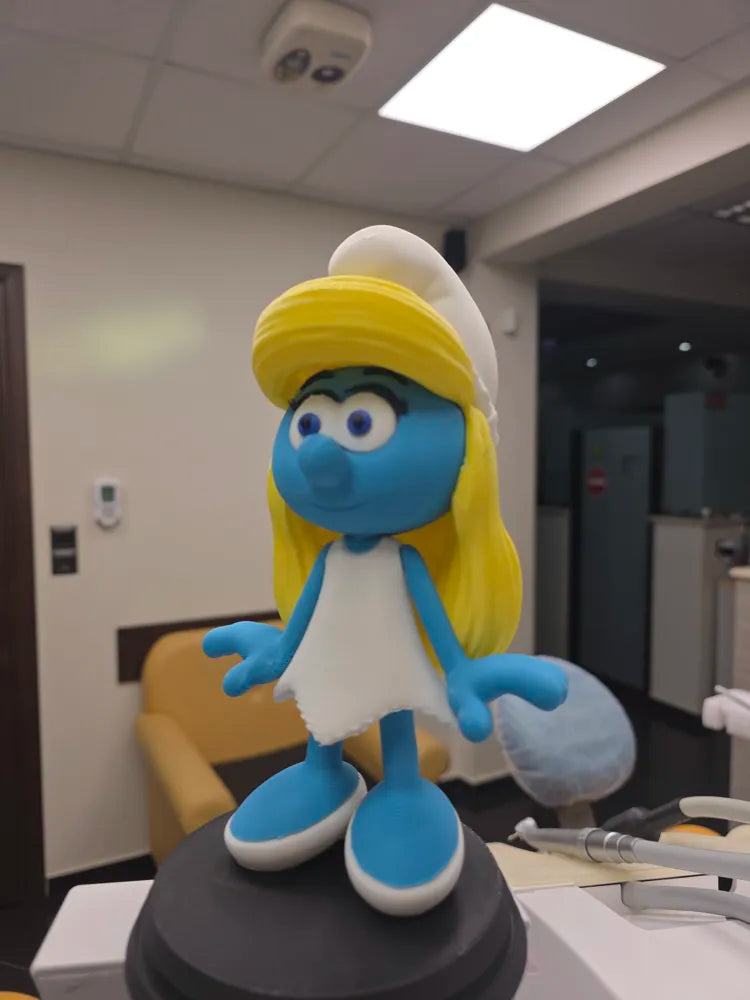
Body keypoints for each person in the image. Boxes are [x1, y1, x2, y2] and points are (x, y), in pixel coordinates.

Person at [204, 225, 567, 916]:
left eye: (363, 421)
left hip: (394, 672)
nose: (318, 454)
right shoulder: (329, 558)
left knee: (393, 707)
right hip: (328, 671)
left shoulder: (407, 562)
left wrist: (459, 672)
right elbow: (306, 621)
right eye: (309, 422)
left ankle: (401, 787)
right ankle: (322, 773)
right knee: (325, 710)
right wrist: (280, 651)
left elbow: (434, 630)